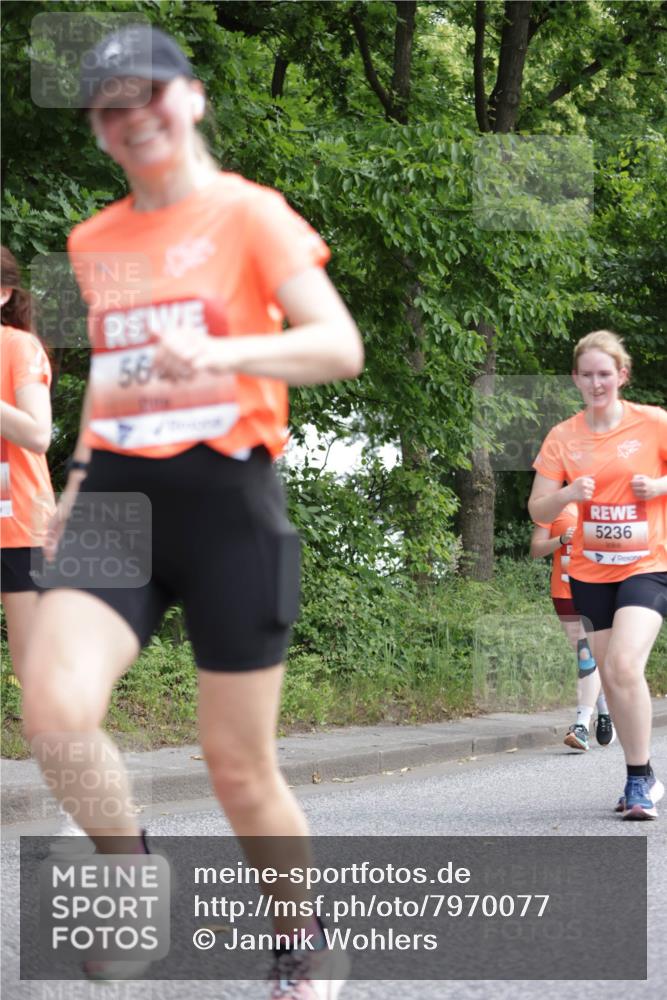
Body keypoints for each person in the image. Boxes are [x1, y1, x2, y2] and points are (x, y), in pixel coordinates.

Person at [21, 25, 363, 998]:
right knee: (53, 711)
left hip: (228, 500)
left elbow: (337, 345)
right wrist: (73, 484)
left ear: (193, 96)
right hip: (120, 496)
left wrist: (224, 356)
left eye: (148, 95)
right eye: (108, 108)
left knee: (236, 763)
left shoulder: (250, 217)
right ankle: (132, 879)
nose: (132, 118)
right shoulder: (95, 240)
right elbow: (110, 382)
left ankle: (301, 932)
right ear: (96, 130)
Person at [529, 330, 667, 820]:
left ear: (622, 375)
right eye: (586, 374)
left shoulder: (653, 423)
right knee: (611, 672)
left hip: (648, 565)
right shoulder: (563, 436)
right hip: (589, 572)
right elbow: (536, 508)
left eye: (604, 373)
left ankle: (637, 778)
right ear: (575, 379)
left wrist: (659, 486)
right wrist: (567, 495)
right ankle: (643, 777)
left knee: (625, 665)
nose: (596, 382)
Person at [1, 245, 55, 680]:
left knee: (34, 667)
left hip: (17, 524)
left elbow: (38, 433)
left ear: (4, 293)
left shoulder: (19, 347)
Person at [529, 504, 615, 751]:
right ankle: (605, 712)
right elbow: (535, 550)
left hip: (597, 590)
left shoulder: (606, 505)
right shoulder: (552, 507)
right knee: (585, 656)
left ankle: (581, 725)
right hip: (565, 594)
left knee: (586, 655)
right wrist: (561, 539)